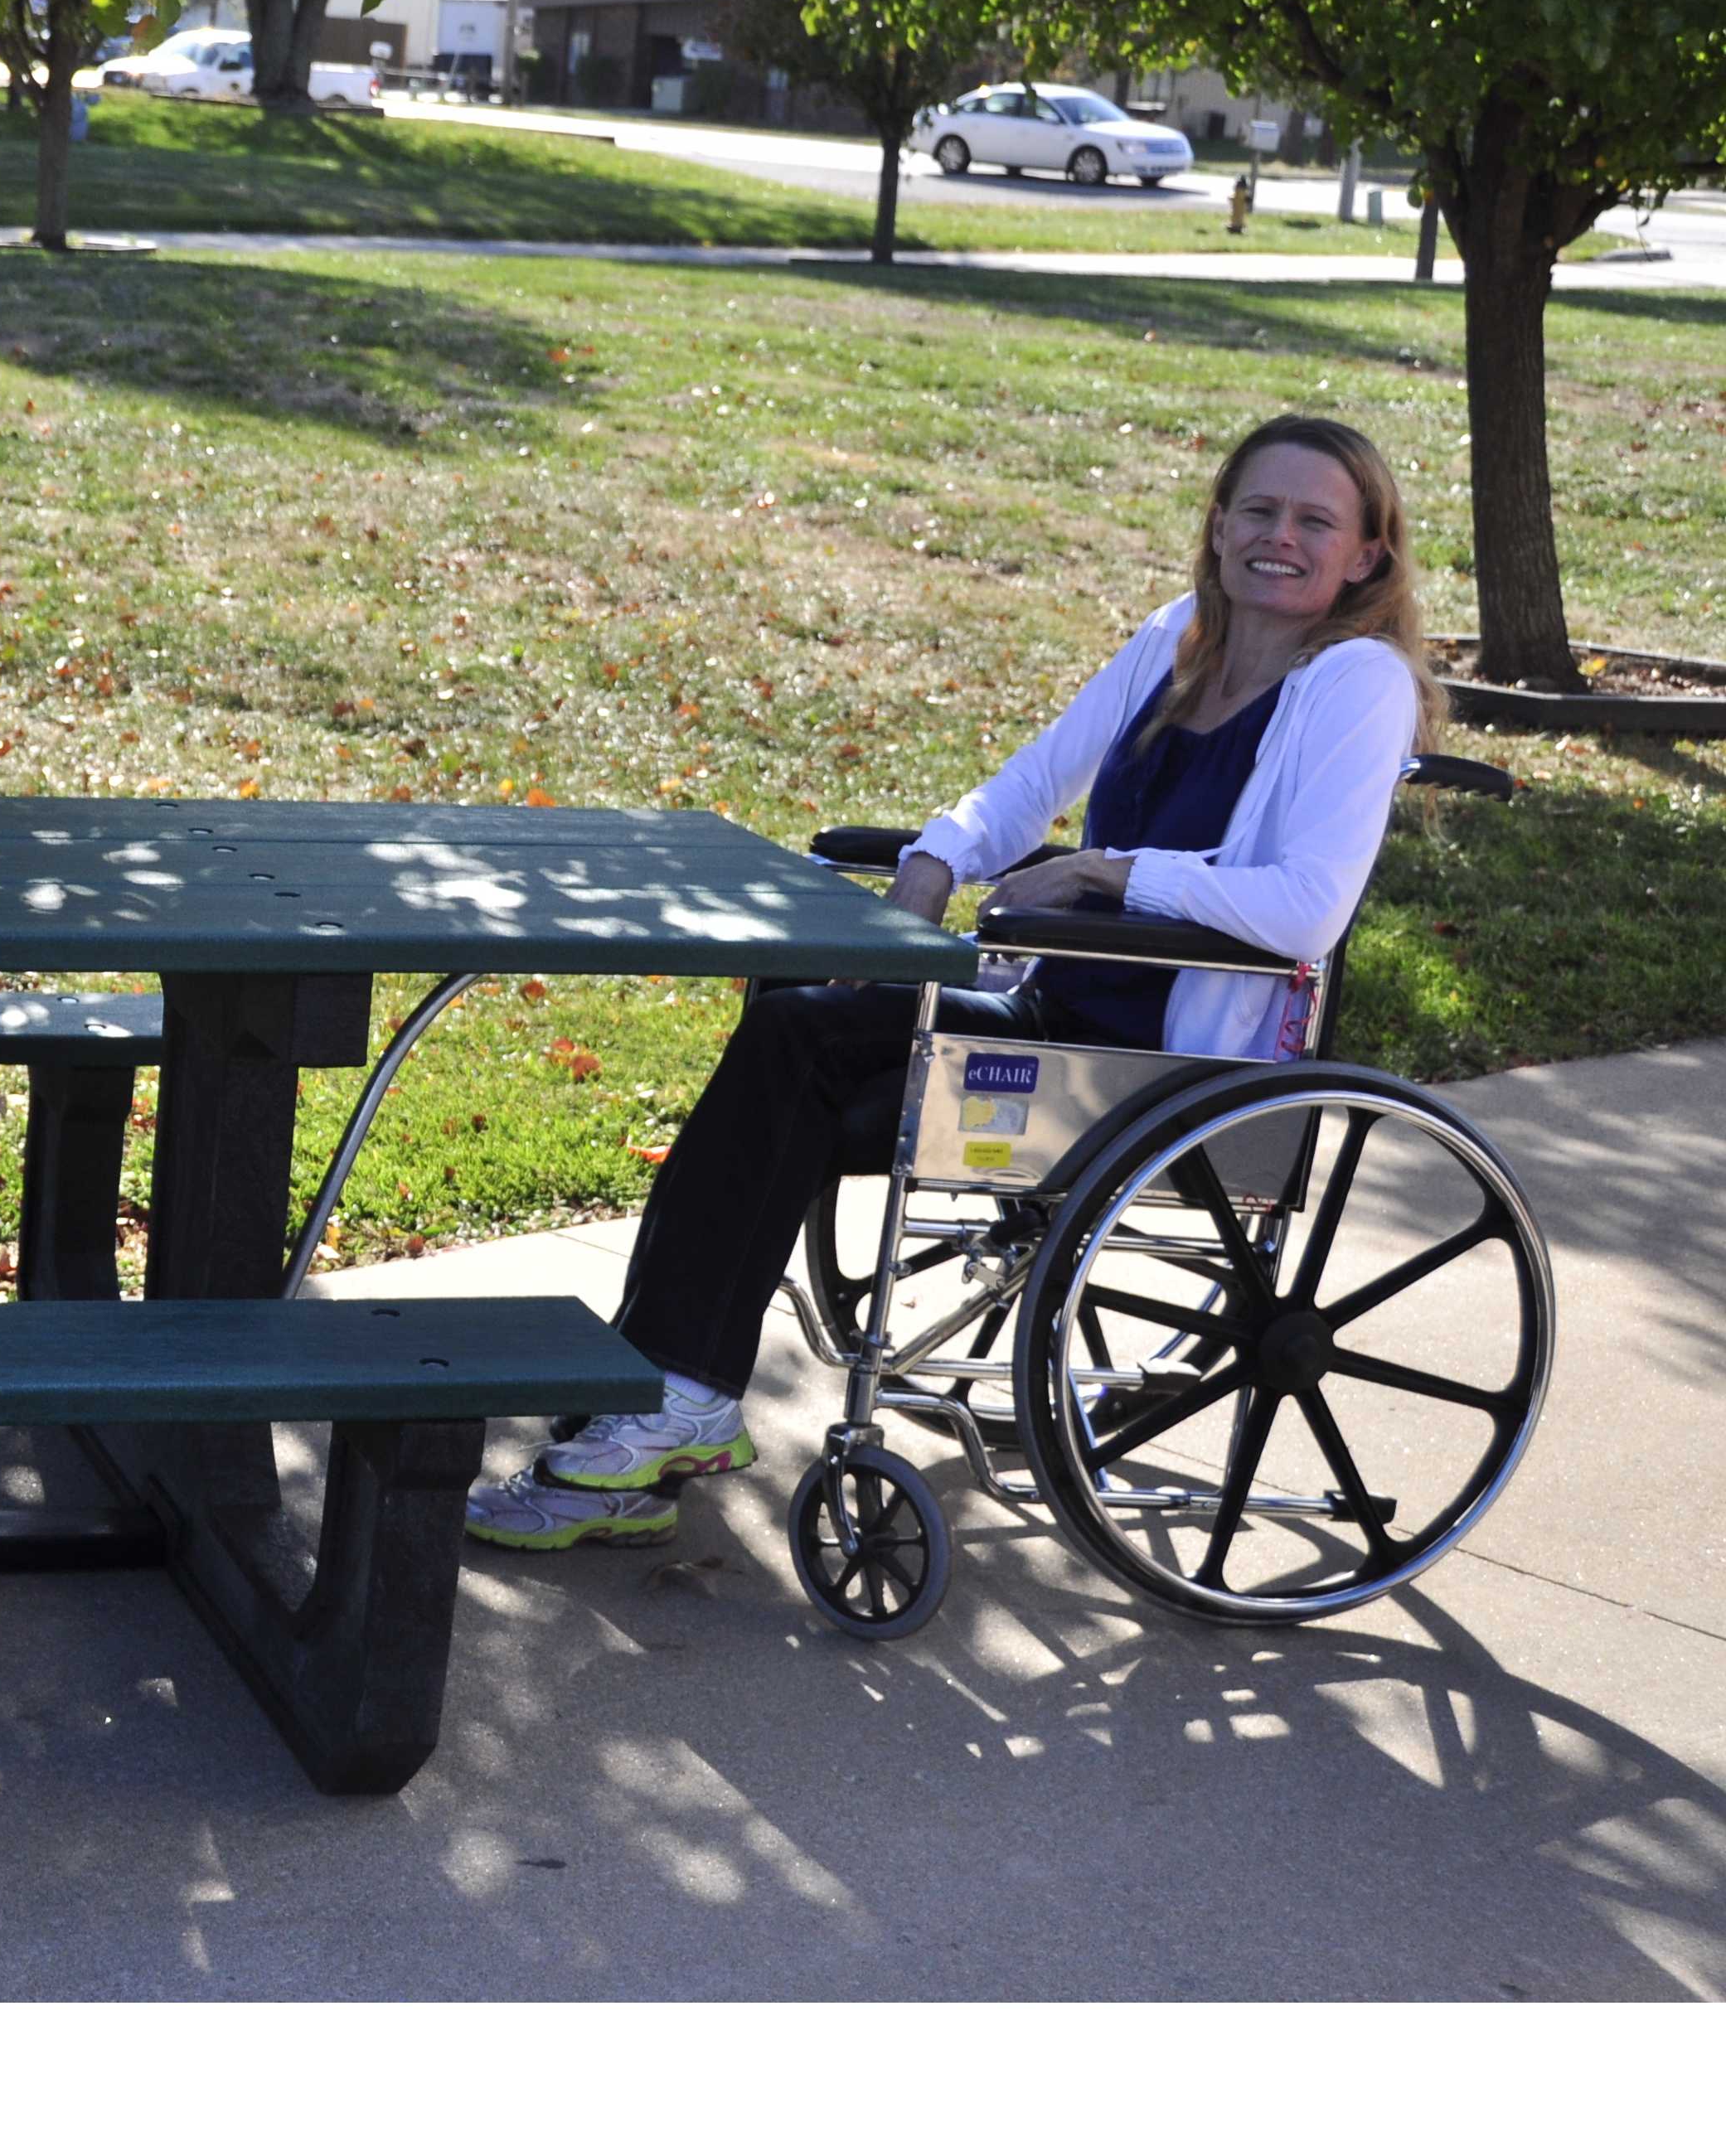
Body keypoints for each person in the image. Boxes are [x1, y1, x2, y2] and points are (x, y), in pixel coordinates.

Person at [466, 414, 1447, 1553]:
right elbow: (1031, 783)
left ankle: (670, 1402)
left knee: (803, 1052)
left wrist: (1111, 870)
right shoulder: (1181, 640)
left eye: (1315, 520)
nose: (1280, 536)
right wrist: (934, 860)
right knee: (797, 1020)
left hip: (1167, 1075)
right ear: (1219, 524)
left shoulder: (1357, 683)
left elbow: (1306, 907)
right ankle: (665, 1393)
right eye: (1259, 510)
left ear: (1368, 555)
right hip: (1057, 1019)